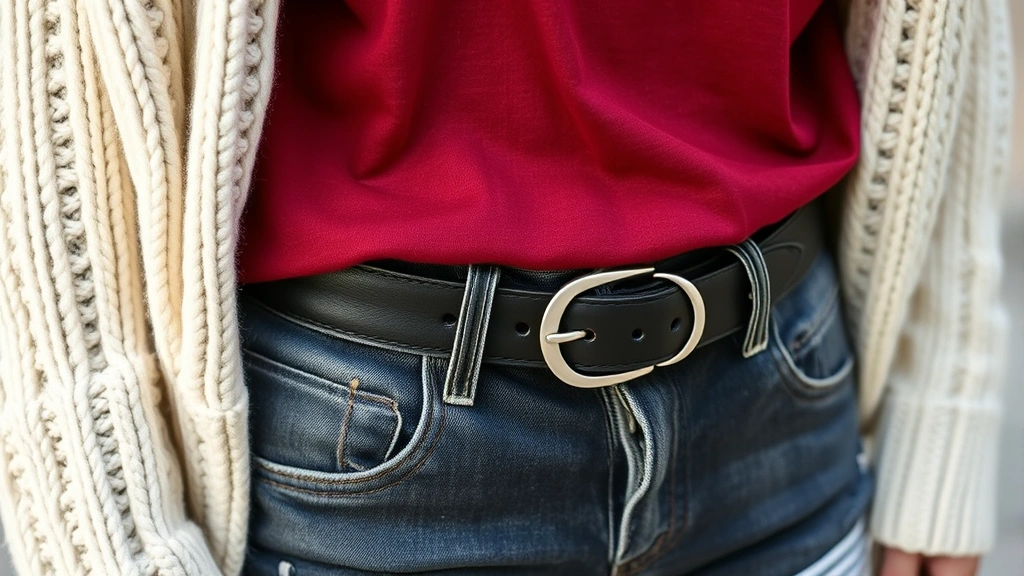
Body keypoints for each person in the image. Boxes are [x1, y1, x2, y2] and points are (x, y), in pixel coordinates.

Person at [0, 0, 1012, 575]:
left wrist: (947, 396)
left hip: (776, 427)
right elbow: (65, 73)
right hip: (368, 467)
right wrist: (106, 537)